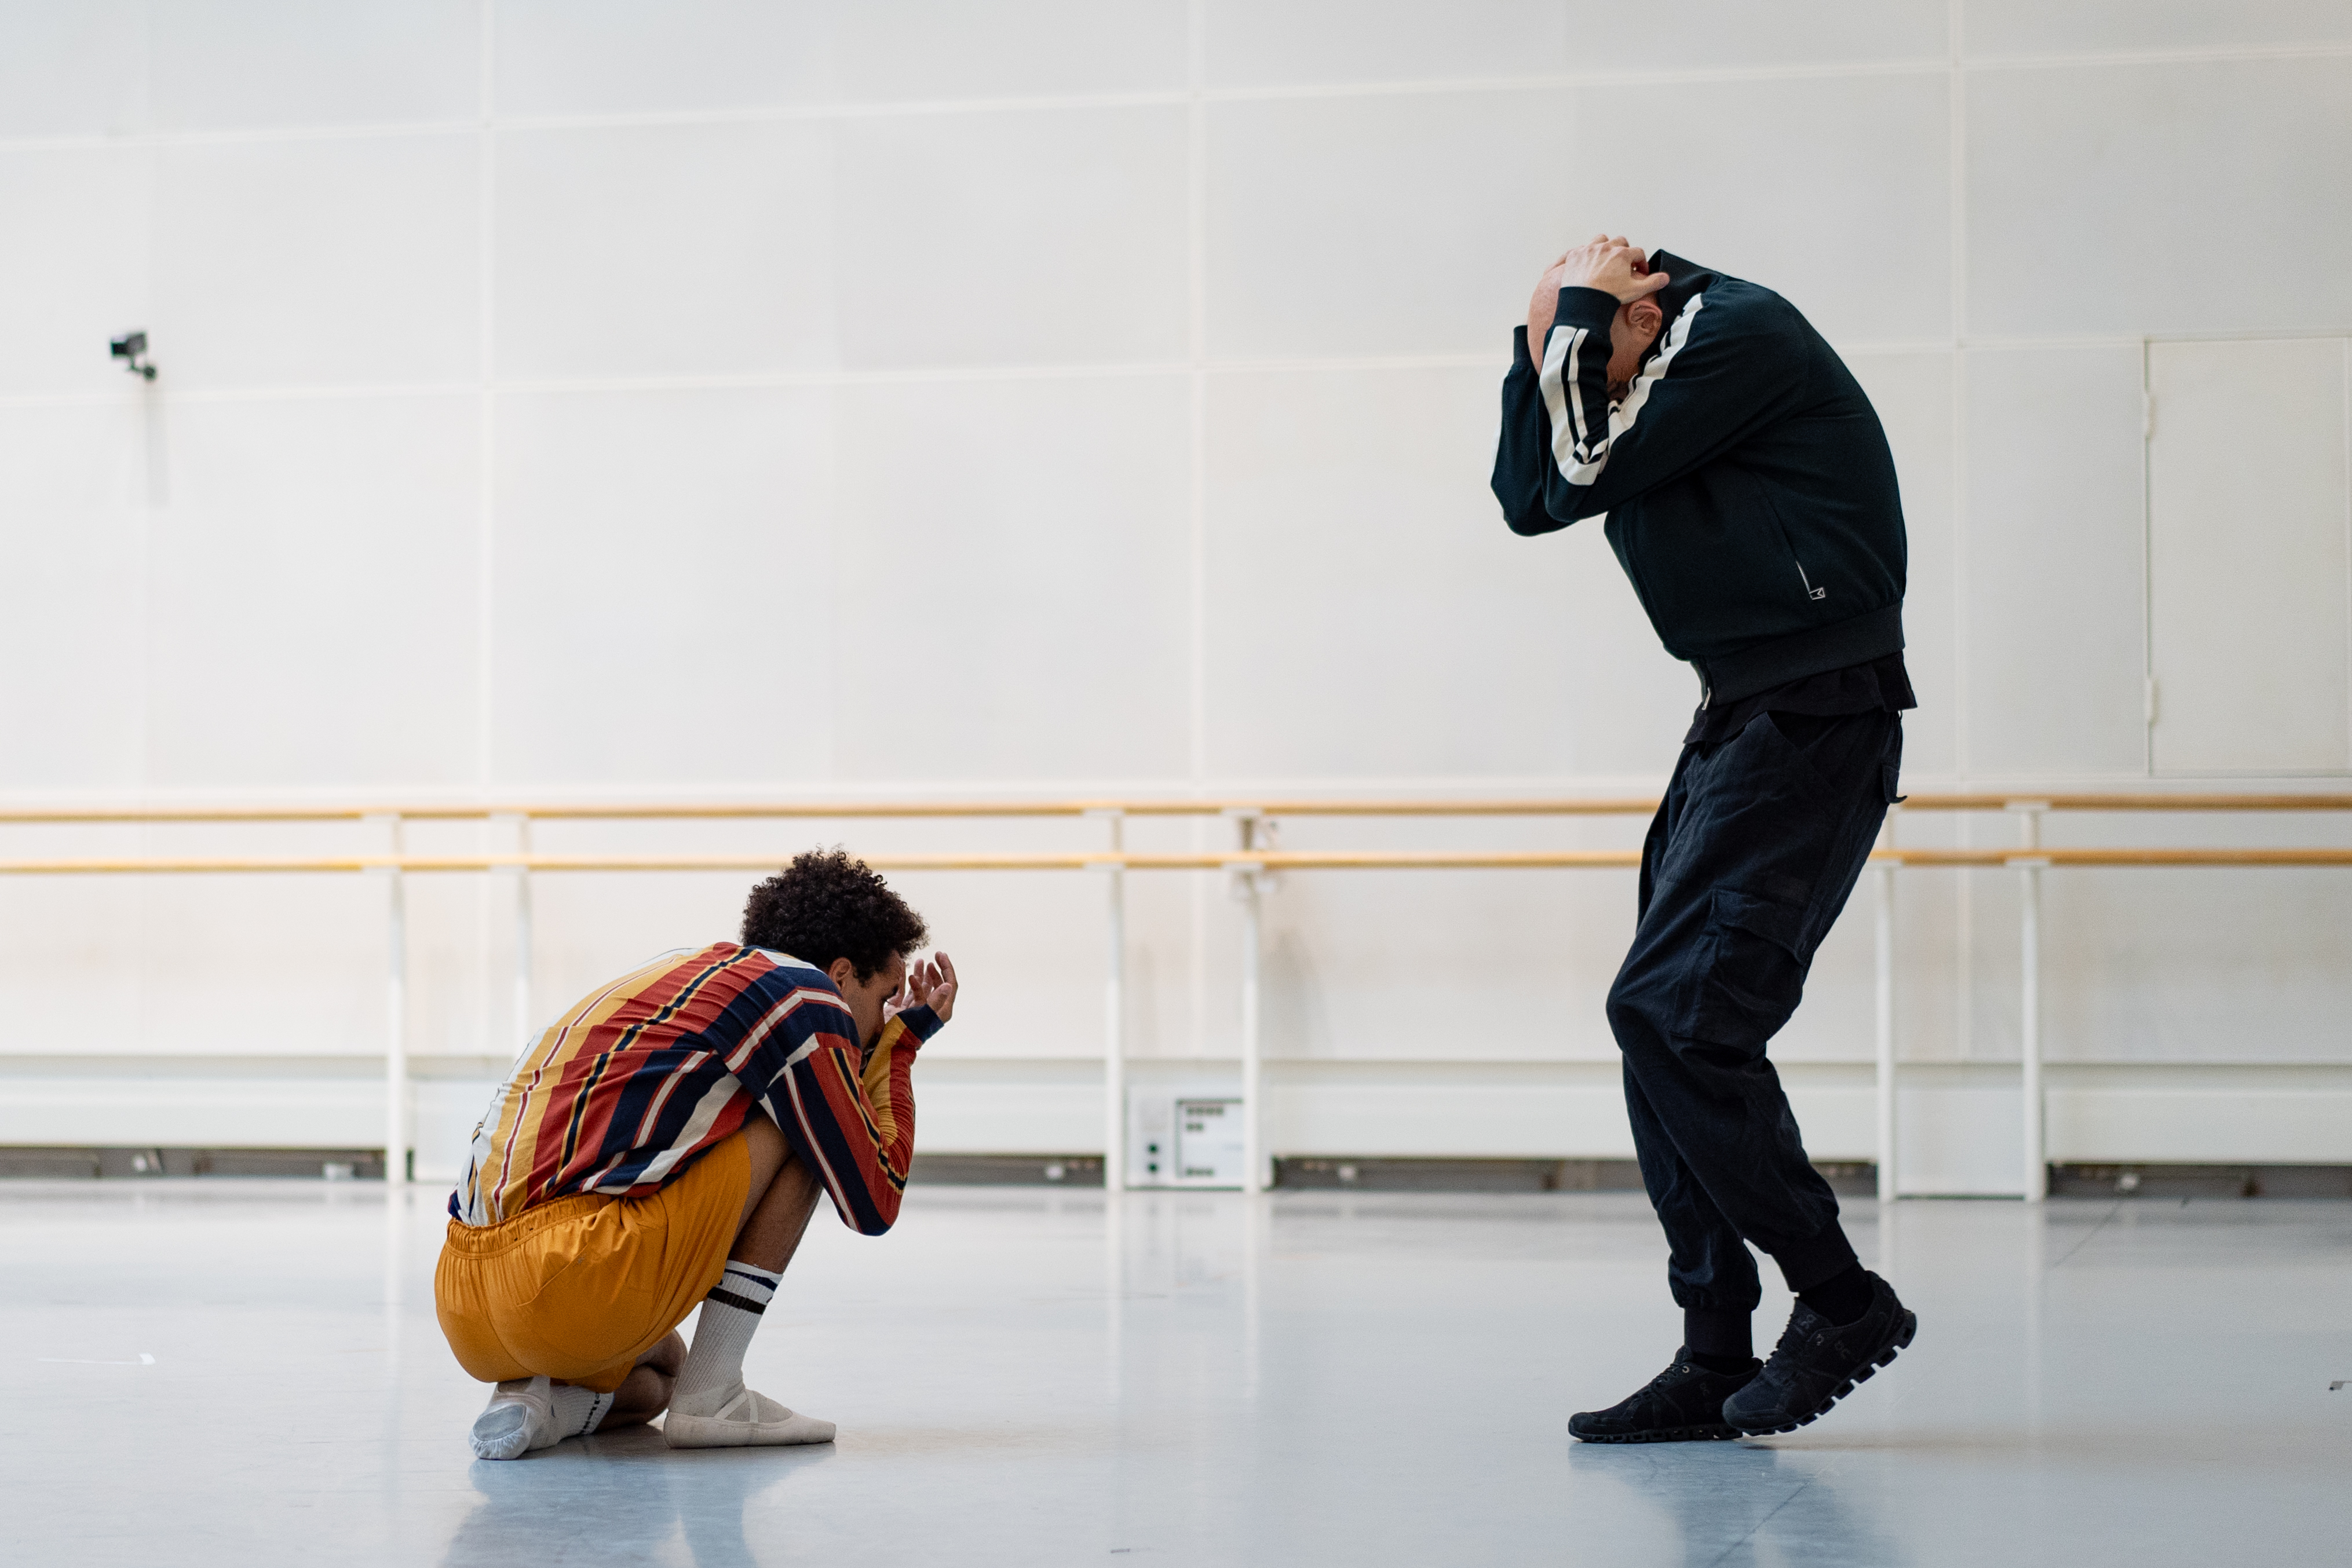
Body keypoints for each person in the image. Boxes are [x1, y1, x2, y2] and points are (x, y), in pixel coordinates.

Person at [1492, 236, 1918, 1441]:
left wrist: (1566, 332)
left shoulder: (1740, 336)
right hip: (1741, 714)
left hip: (1816, 710)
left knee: (1675, 1016)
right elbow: (1533, 498)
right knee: (1654, 1026)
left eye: (1594, 357)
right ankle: (1711, 1346)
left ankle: (1839, 1301)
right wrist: (1540, 344)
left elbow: (1574, 459)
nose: (1595, 393)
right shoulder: (1627, 365)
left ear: (1643, 315)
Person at [433, 849, 958, 1458]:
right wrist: (901, 1044)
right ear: (840, 974)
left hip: (465, 1302)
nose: (879, 1020)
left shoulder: (682, 970)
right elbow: (873, 1199)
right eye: (886, 997)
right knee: (811, 1116)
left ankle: (542, 1403)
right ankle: (713, 1397)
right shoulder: (808, 998)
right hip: (569, 1280)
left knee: (659, 1379)